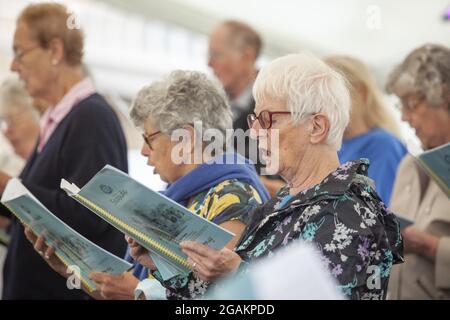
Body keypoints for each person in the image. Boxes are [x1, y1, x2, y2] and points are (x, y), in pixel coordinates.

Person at [131, 53, 404, 300]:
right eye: (254, 120)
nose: (254, 132)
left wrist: (238, 272)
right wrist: (164, 261)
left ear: (317, 126)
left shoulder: (348, 211)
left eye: (268, 119)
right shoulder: (285, 201)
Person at [26, 70, 269, 300]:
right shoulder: (181, 195)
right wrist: (73, 268)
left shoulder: (236, 198)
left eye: (149, 138)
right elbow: (124, 291)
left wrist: (139, 293)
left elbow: (223, 299)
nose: (143, 151)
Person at [0, 2, 128, 299]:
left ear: (55, 51)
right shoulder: (62, 119)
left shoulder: (90, 117)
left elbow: (91, 215)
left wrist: (10, 186)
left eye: (20, 53)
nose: (13, 65)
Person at [386, 44, 450, 300]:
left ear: (445, 96)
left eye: (411, 104)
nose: (403, 117)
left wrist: (429, 247)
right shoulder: (408, 166)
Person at [208, 21, 284, 196]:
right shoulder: (212, 105)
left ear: (247, 56)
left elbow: (290, 187)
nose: (209, 63)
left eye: (216, 54)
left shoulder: (277, 110)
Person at [326, 56, 407, 205]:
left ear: (361, 92)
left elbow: (374, 210)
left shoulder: (383, 146)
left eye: (330, 96)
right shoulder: (333, 145)